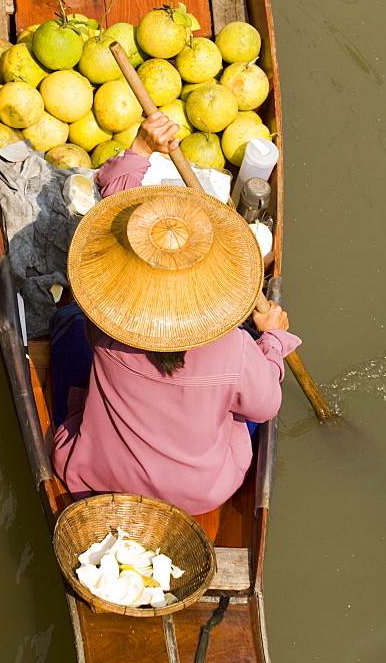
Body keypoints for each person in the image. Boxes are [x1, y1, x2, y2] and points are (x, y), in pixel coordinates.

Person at [51, 113, 301, 517]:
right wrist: (272, 341)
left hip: (95, 476)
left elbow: (112, 216)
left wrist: (140, 150)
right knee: (245, 410)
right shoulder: (237, 348)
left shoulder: (109, 324)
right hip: (195, 497)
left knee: (69, 323)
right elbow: (265, 406)